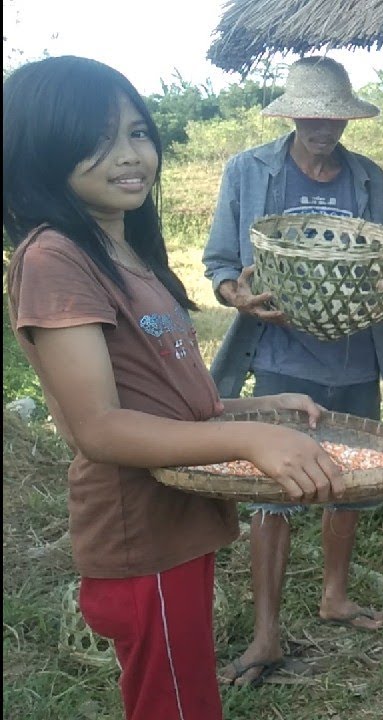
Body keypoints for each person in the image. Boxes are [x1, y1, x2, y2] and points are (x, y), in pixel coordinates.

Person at [2, 56, 344, 720]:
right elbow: (98, 427)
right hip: (140, 534)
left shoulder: (125, 252)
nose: (130, 155)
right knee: (175, 707)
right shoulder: (53, 258)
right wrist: (248, 438)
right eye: (97, 139)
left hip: (179, 525)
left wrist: (257, 409)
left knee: (188, 698)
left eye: (137, 132)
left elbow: (162, 398)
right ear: (41, 148)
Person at [202, 56, 383, 686]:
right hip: (275, 360)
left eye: (335, 116)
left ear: (347, 117)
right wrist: (238, 294)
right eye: (313, 115)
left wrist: (373, 292)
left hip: (353, 358)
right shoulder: (249, 172)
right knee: (275, 493)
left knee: (343, 480)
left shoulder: (369, 180)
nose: (324, 128)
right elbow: (219, 265)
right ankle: (266, 633)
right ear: (293, 113)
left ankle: (335, 596)